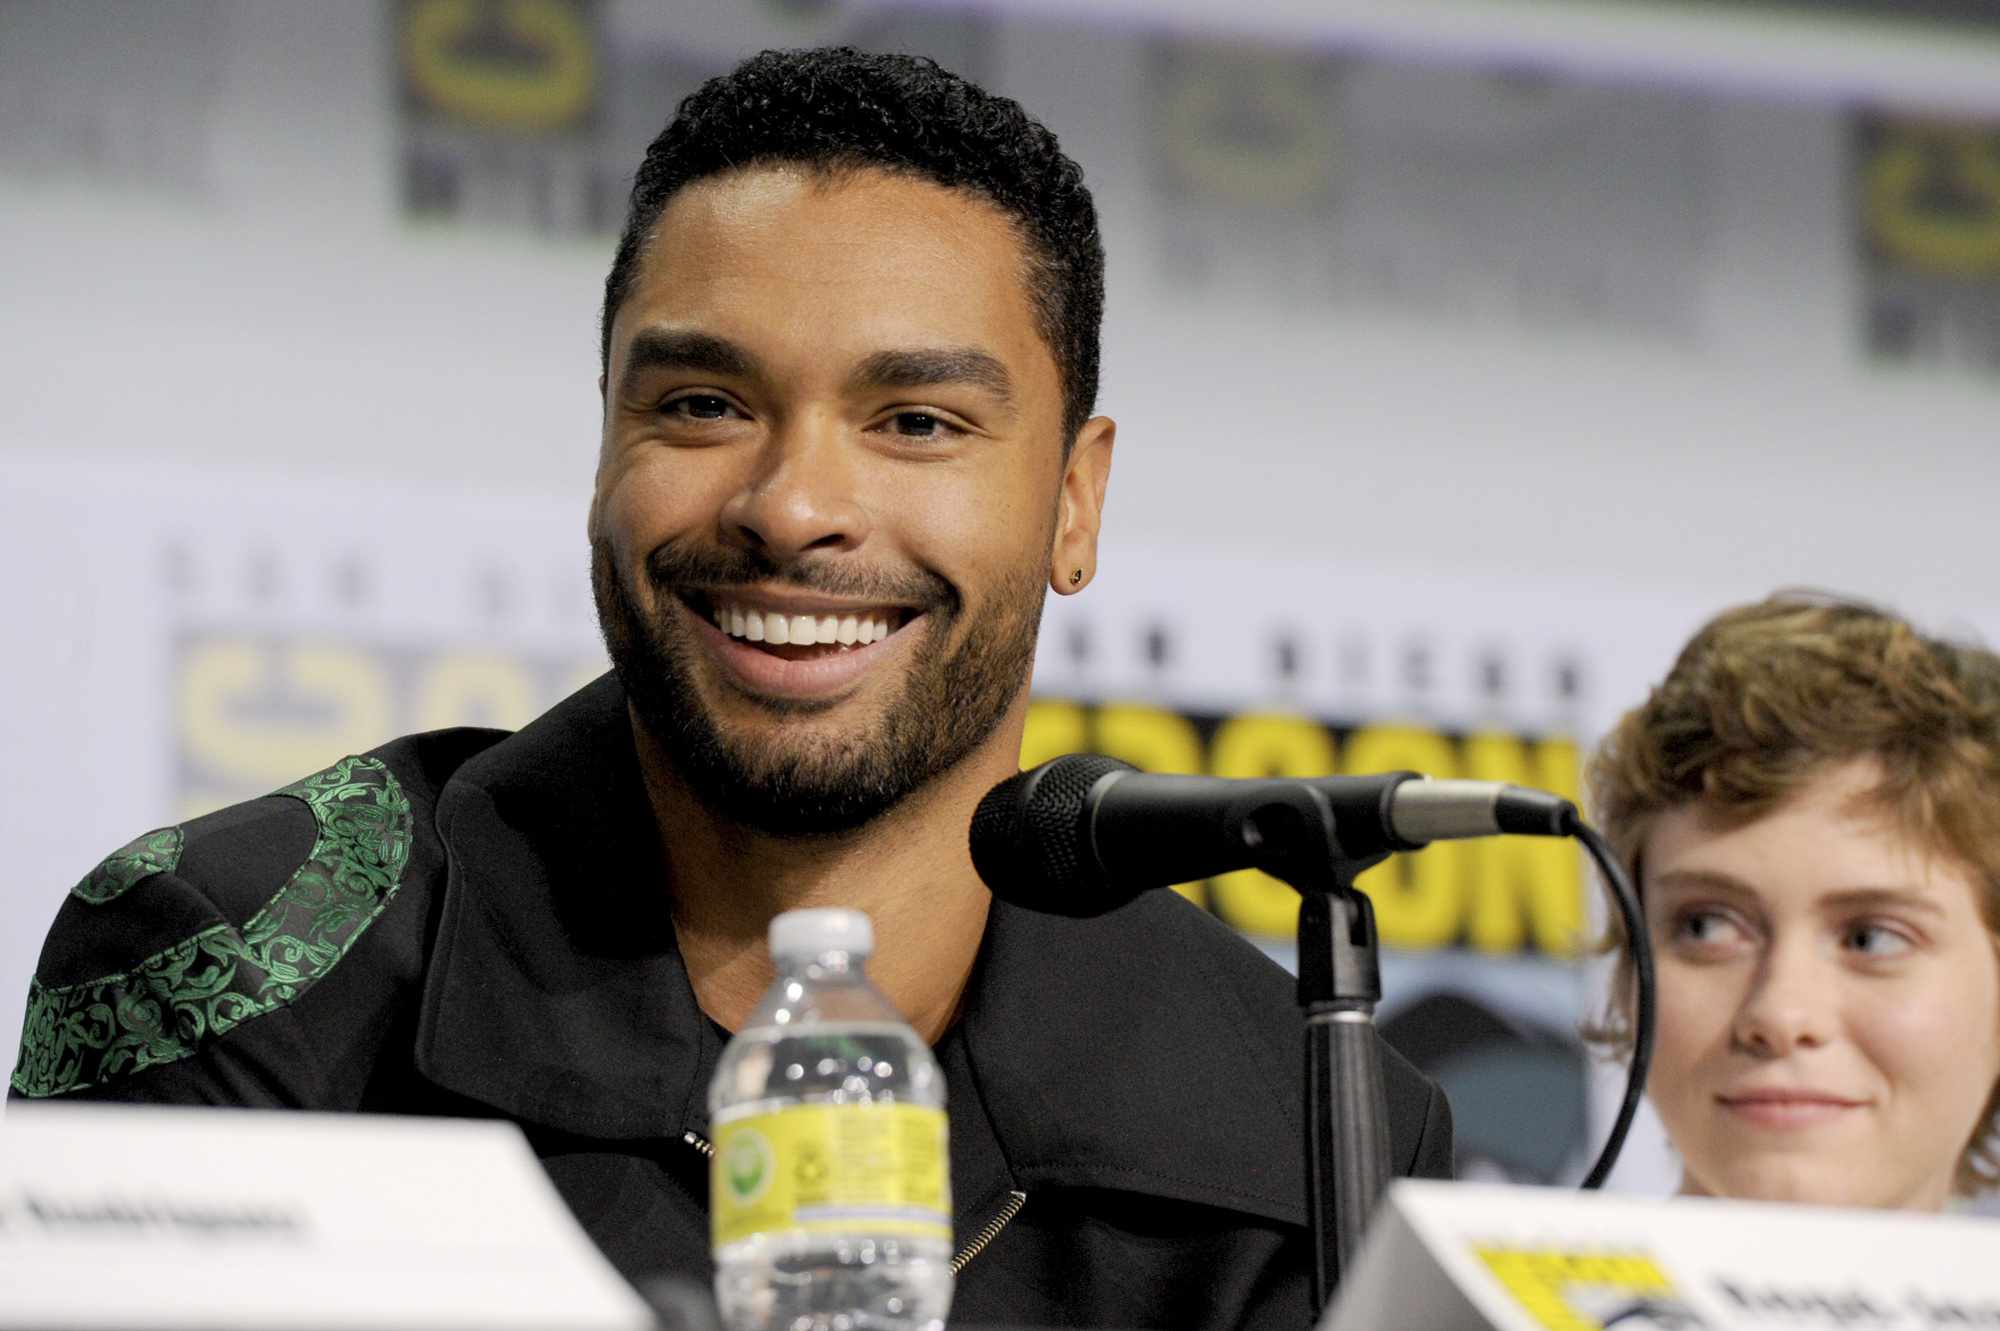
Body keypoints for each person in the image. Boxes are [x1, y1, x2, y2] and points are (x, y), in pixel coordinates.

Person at [9, 47, 1451, 1328]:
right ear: (603, 447)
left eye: (915, 420)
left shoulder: (1317, 1127)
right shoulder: (242, 968)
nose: (794, 503)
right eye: (703, 404)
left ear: (1076, 503)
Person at [1587, 594, 2000, 1210]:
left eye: (1872, 938)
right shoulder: (1447, 1310)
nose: (1780, 1016)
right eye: (1706, 927)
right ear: (1628, 980)